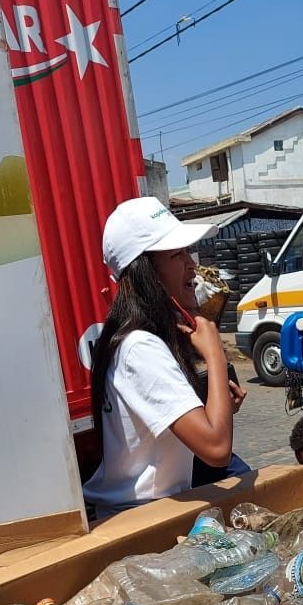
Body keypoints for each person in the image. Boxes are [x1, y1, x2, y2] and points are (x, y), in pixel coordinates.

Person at [83, 197, 247, 519]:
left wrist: (219, 406)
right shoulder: (140, 348)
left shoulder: (132, 339)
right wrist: (215, 353)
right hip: (142, 522)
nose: (191, 264)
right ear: (146, 272)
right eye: (176, 254)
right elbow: (216, 449)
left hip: (149, 514)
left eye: (187, 251)